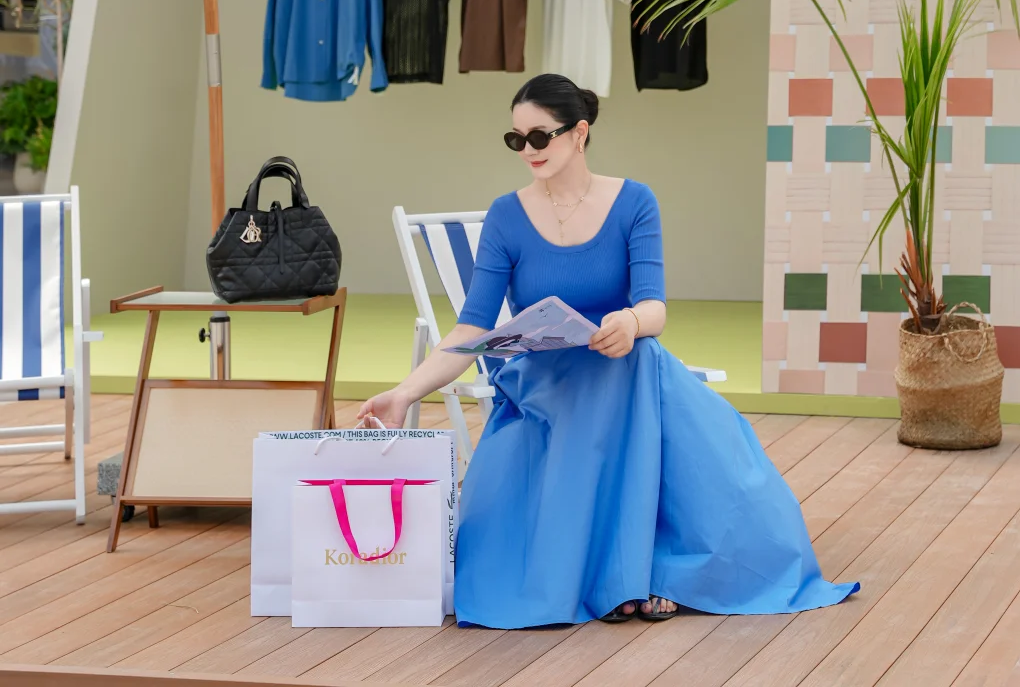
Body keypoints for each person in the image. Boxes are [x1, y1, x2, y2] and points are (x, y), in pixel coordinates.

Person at [357, 73, 859, 629]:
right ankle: (623, 579)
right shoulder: (506, 215)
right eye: (516, 139)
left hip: (628, 370)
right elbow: (471, 328)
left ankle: (637, 576)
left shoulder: (634, 202)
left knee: (645, 372)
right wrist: (404, 393)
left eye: (540, 137)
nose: (527, 150)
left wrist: (630, 321)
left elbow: (655, 307)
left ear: (579, 133)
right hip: (547, 386)